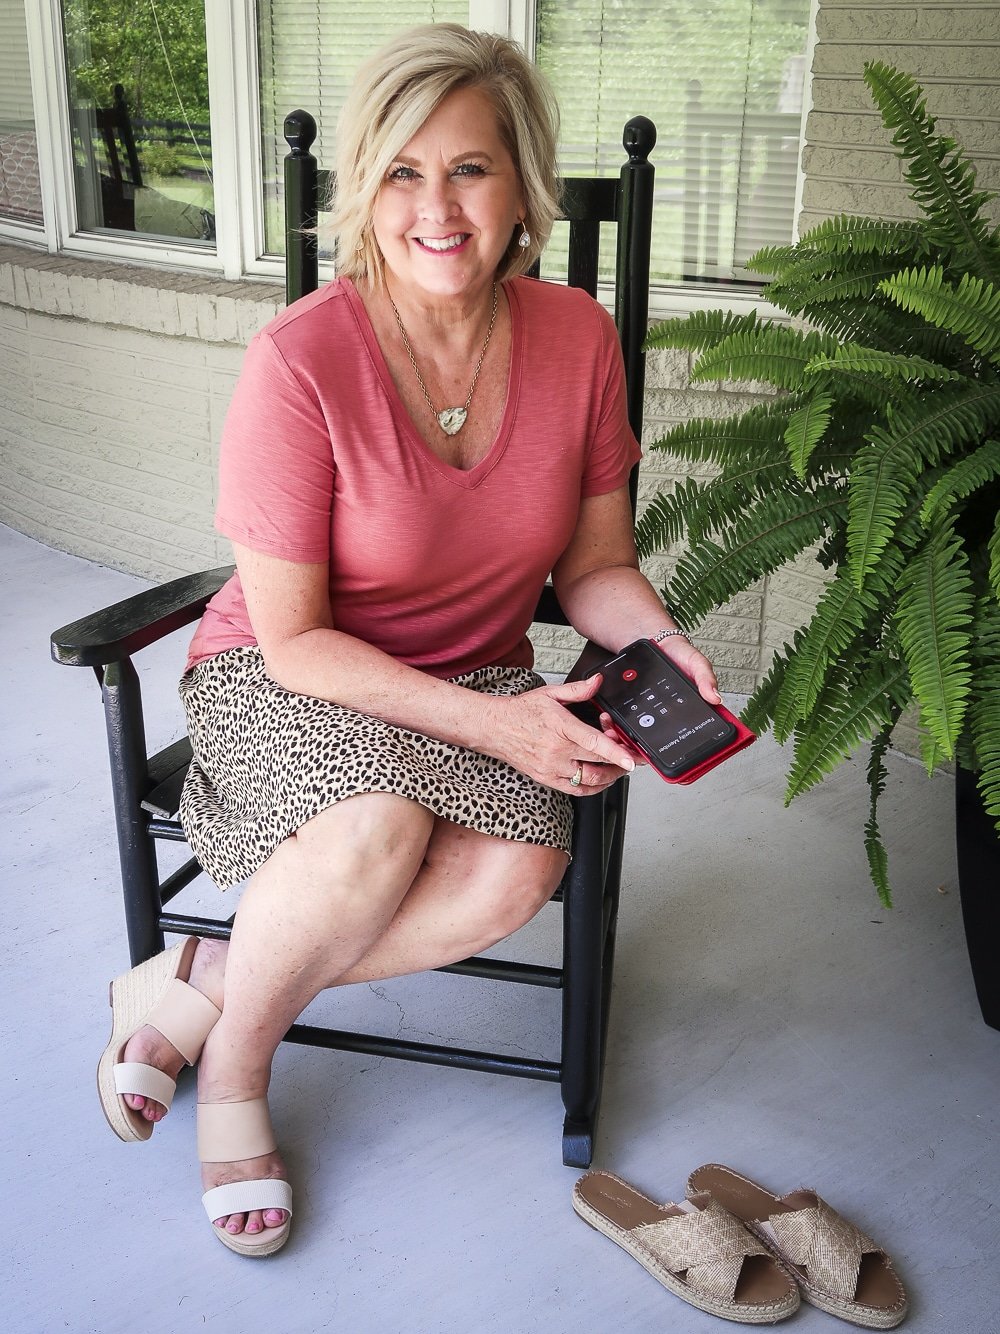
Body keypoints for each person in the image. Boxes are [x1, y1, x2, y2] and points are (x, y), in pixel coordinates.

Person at [96, 22, 722, 1258]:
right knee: (375, 824)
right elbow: (294, 640)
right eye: (403, 171)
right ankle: (237, 1073)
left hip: (474, 669)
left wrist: (661, 637)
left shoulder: (577, 343)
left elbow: (593, 567)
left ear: (523, 185)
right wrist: (500, 723)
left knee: (511, 869)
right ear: (365, 190)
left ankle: (207, 976)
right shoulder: (300, 361)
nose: (438, 208)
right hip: (286, 673)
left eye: (471, 168)